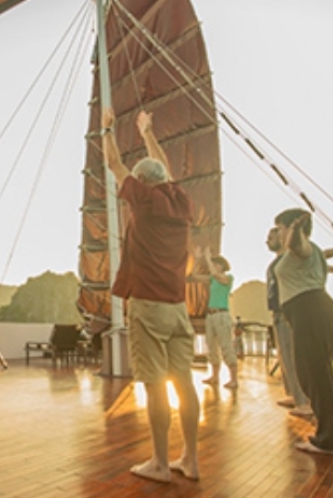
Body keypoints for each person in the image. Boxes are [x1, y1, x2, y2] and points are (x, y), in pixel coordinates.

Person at [102, 107, 200, 484]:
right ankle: (190, 458)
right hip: (178, 307)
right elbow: (165, 171)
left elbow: (113, 163)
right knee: (184, 381)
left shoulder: (142, 201)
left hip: (147, 305)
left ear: (141, 183)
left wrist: (107, 128)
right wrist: (146, 133)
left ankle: (160, 462)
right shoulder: (181, 202)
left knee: (155, 385)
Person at [273, 208, 333, 454]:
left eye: (280, 229)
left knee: (312, 376)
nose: (280, 234)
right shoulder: (310, 251)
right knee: (319, 376)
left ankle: (329, 440)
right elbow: (314, 252)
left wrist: (295, 230)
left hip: (310, 311)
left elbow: (298, 245)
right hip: (315, 311)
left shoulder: (300, 246)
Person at [267, 228, 333, 417]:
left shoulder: (292, 256)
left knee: (293, 357)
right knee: (285, 358)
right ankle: (294, 395)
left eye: (272, 236)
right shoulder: (281, 261)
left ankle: (304, 402)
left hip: (289, 312)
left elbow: (319, 255)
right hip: (278, 312)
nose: (267, 240)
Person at [189, 247, 238, 389]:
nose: (214, 266)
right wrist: (198, 258)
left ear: (223, 266)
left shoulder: (228, 278)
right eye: (214, 263)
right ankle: (215, 376)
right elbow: (195, 275)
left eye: (217, 263)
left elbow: (216, 274)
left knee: (226, 347)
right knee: (211, 347)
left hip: (222, 315)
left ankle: (233, 379)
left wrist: (208, 259)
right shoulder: (212, 279)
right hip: (210, 316)